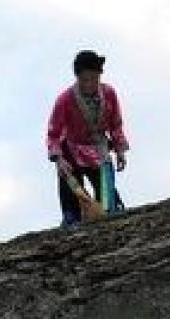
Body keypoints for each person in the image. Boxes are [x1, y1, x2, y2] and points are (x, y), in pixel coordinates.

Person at [46, 50, 129, 226]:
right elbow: (53, 133)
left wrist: (120, 150)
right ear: (78, 78)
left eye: (94, 78)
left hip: (99, 149)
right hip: (71, 148)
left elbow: (116, 123)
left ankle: (109, 211)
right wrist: (58, 158)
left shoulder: (109, 94)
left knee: (107, 195)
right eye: (85, 79)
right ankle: (71, 217)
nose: (90, 83)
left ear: (100, 76)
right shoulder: (65, 100)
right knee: (71, 186)